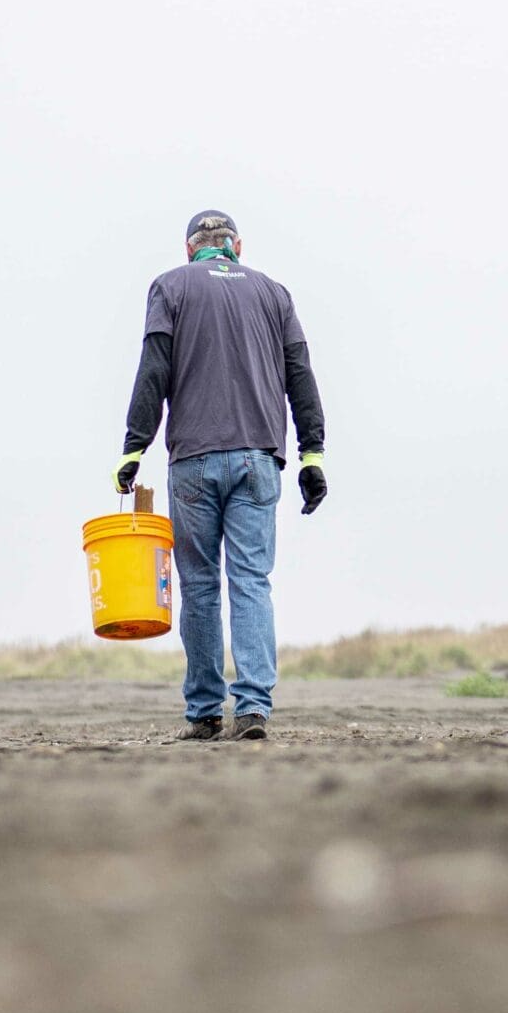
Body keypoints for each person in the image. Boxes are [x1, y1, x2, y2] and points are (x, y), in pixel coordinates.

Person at [115, 210, 327, 742]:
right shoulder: (273, 293)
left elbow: (154, 368)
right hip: (259, 457)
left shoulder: (170, 286)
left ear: (190, 249)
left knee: (201, 585)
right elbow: (300, 372)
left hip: (194, 461)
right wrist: (313, 453)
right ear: (237, 246)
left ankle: (206, 712)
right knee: (251, 581)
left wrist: (133, 447)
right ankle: (253, 707)